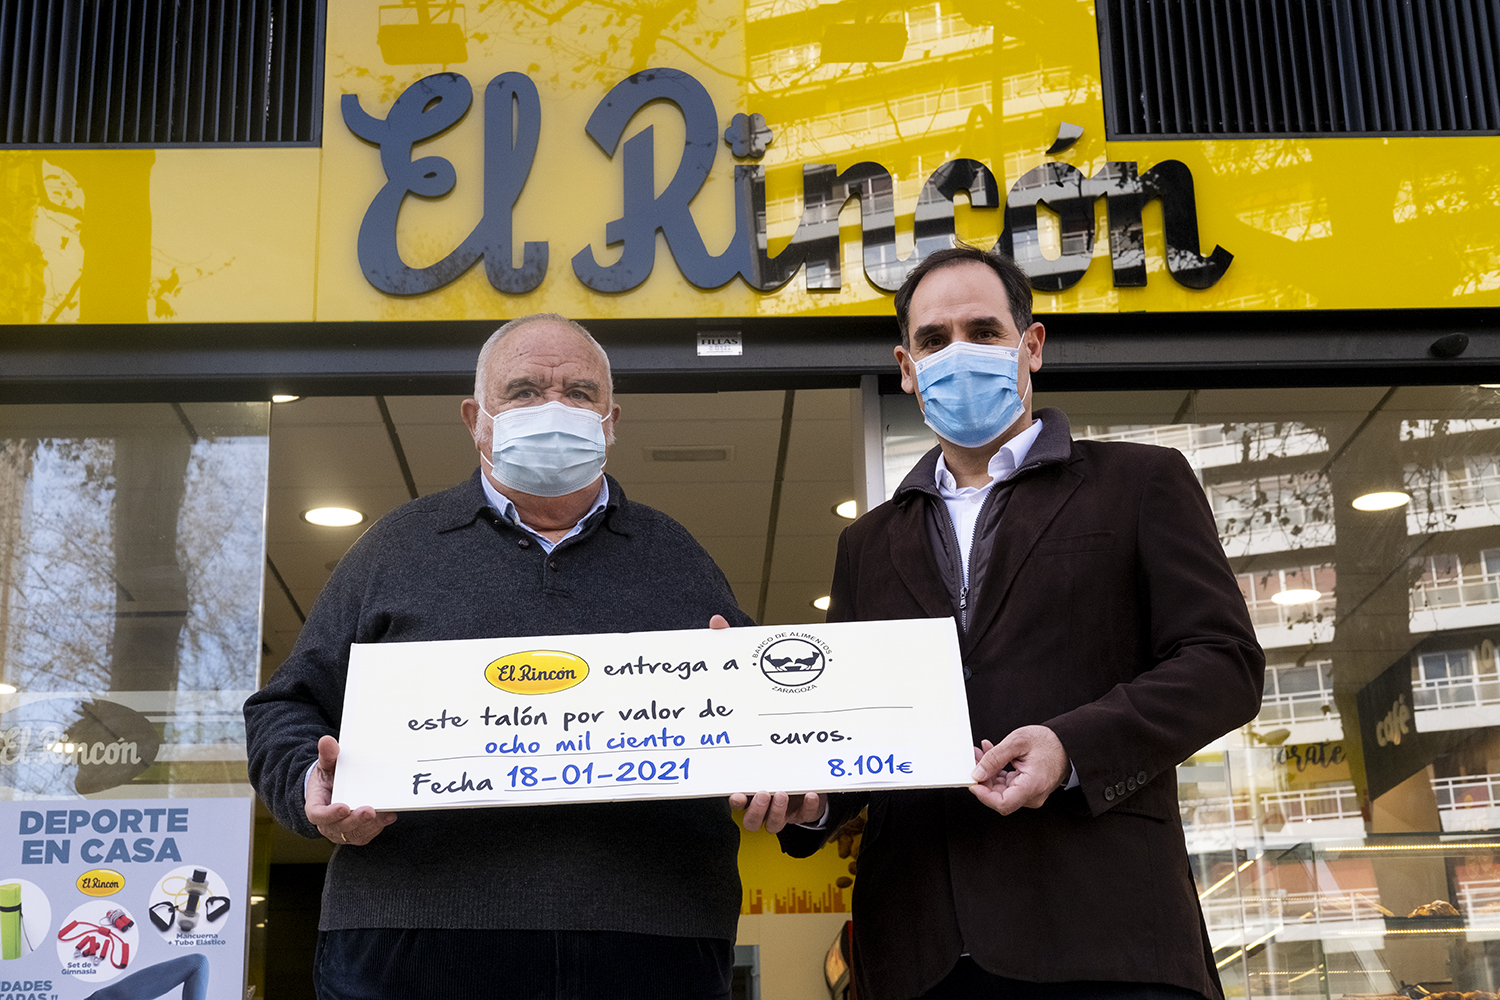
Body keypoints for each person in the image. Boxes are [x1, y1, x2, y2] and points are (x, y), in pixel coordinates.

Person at [741, 247, 1264, 1000]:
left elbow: (1223, 664)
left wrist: (1071, 747)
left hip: (1106, 936)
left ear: (1032, 346)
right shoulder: (867, 542)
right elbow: (861, 736)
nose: (958, 352)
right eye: (933, 339)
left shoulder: (1141, 483)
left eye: (983, 330)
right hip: (917, 950)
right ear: (907, 367)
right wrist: (814, 802)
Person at [245, 313, 755, 1000]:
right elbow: (285, 707)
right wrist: (311, 783)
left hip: (652, 942)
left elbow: (763, 723)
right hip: (412, 946)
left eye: (579, 392)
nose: (555, 408)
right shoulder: (395, 549)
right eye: (523, 391)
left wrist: (763, 739)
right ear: (475, 418)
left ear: (611, 419)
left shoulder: (679, 559)